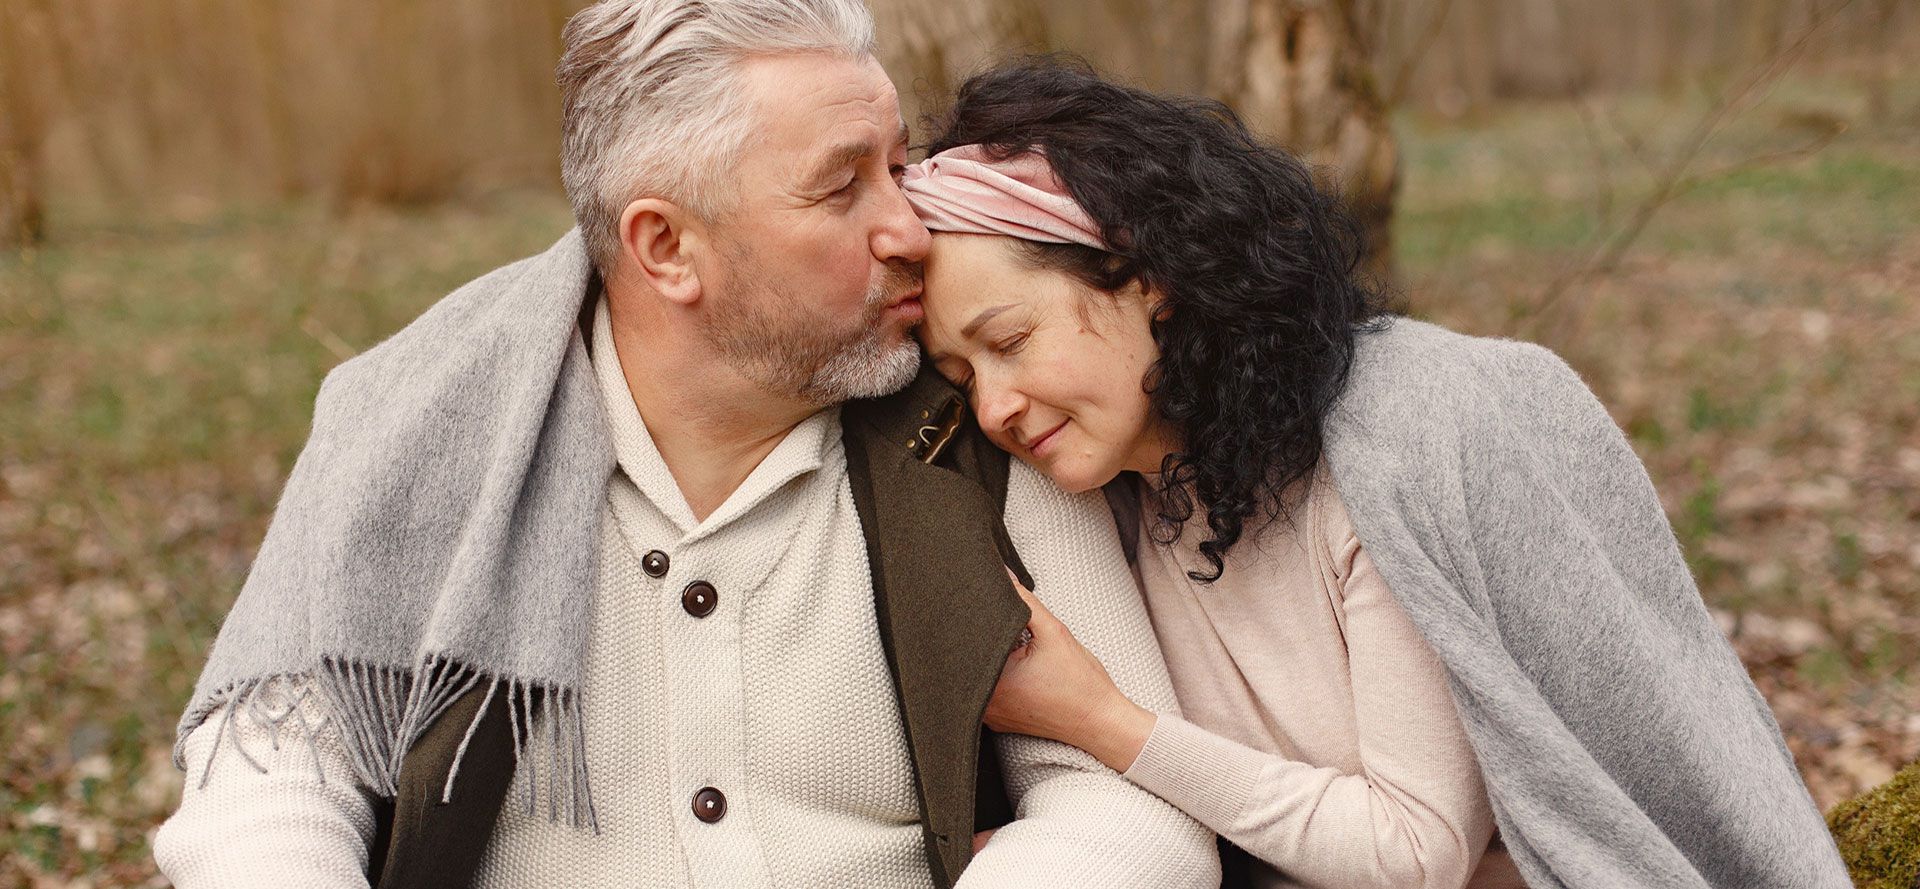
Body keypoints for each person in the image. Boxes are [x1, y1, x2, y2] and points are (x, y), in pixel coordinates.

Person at [151, 7, 1219, 888]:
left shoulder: (981, 416)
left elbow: (1130, 805)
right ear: (666, 246)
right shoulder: (416, 418)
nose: (909, 230)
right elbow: (264, 779)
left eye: (900, 166)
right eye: (843, 185)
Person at [906, 58, 1853, 889]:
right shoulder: (1107, 507)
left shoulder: (1379, 455)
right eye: (962, 376)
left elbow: (1415, 852)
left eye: (1010, 341)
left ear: (1143, 275)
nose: (994, 408)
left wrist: (1105, 721)